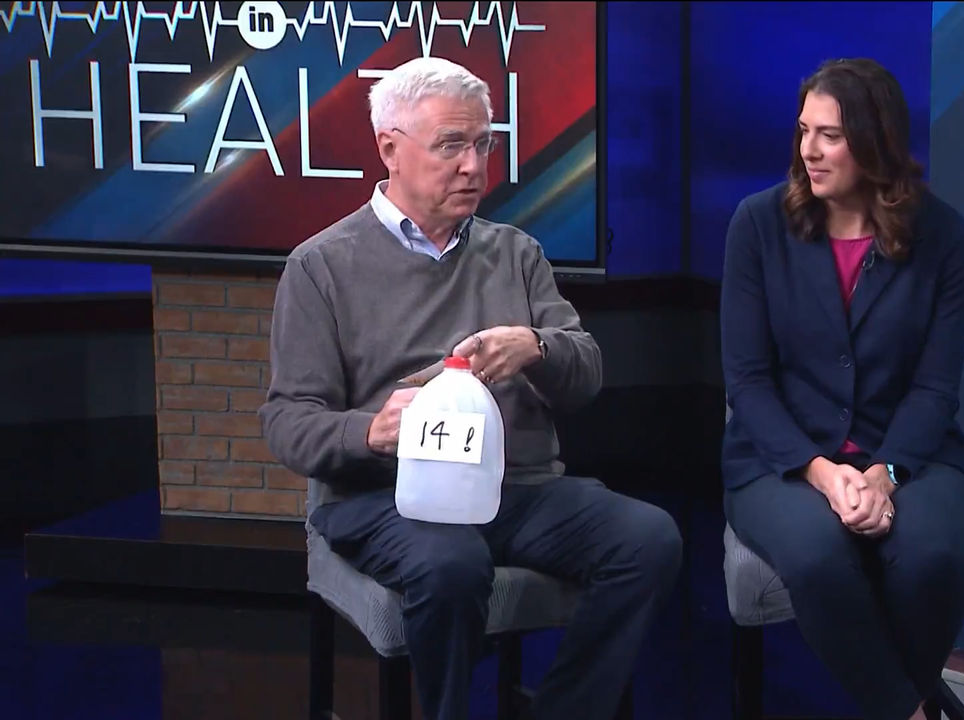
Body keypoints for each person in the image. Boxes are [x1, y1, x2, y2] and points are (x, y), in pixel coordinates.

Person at [261, 56, 682, 720]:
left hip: (519, 490)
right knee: (451, 565)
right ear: (390, 150)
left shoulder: (516, 253)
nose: (474, 165)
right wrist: (369, 430)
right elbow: (288, 421)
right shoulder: (321, 267)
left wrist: (536, 349)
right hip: (387, 500)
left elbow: (586, 375)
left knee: (648, 539)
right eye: (452, 145)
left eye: (483, 142)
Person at [719, 58, 964, 720]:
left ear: (874, 139)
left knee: (932, 558)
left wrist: (886, 473)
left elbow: (936, 384)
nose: (809, 149)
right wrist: (824, 474)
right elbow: (747, 381)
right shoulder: (757, 225)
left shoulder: (943, 236)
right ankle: (914, 714)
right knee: (816, 555)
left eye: (829, 135)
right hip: (780, 461)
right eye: (804, 130)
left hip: (910, 453)